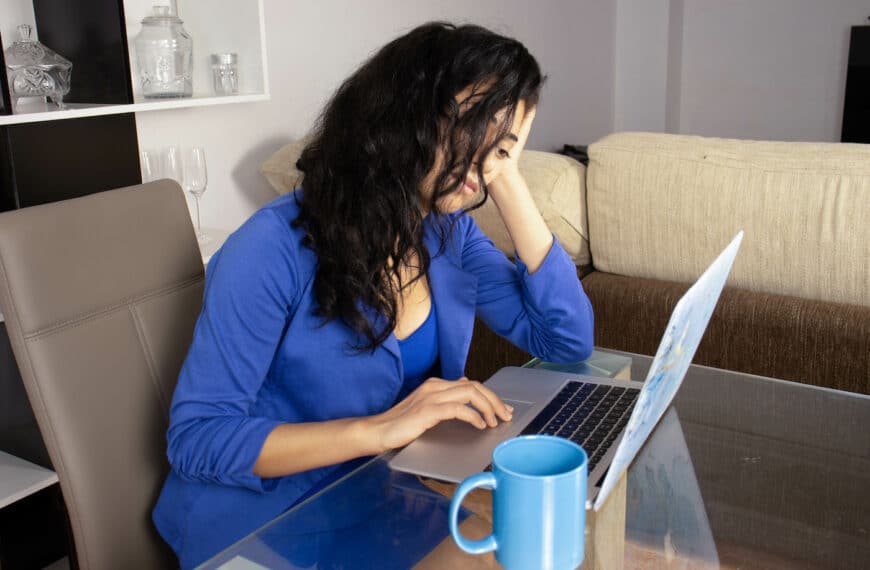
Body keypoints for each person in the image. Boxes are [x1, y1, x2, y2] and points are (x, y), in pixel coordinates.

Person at [152, 21, 594, 568]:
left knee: (529, 553)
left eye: (504, 146)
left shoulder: (447, 235)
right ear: (406, 113)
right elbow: (197, 439)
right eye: (475, 128)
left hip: (378, 499)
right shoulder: (269, 249)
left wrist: (501, 168)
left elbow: (566, 338)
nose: (483, 164)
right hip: (260, 522)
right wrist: (380, 429)